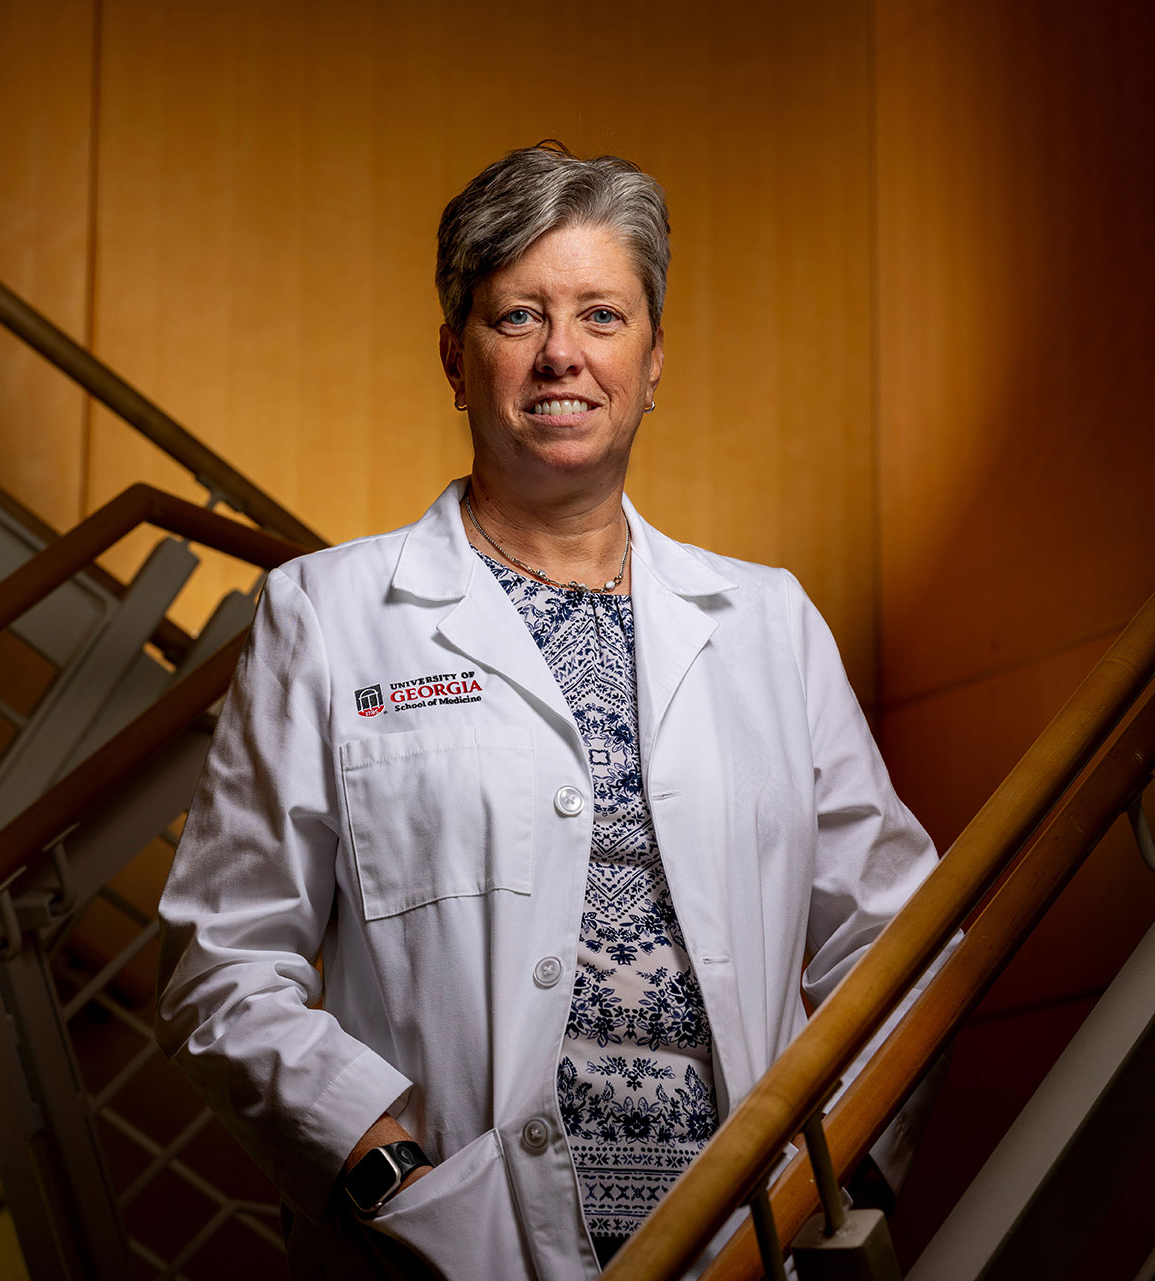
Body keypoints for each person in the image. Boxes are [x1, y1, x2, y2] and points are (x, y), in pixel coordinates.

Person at [153, 142, 952, 1279]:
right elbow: (224, 963)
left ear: (655, 357)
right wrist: (388, 1179)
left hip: (745, 1241)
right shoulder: (327, 617)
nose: (562, 355)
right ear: (455, 356)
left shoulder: (768, 624)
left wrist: (848, 1172)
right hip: (463, 1247)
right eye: (519, 317)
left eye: (602, 316)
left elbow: (903, 939)